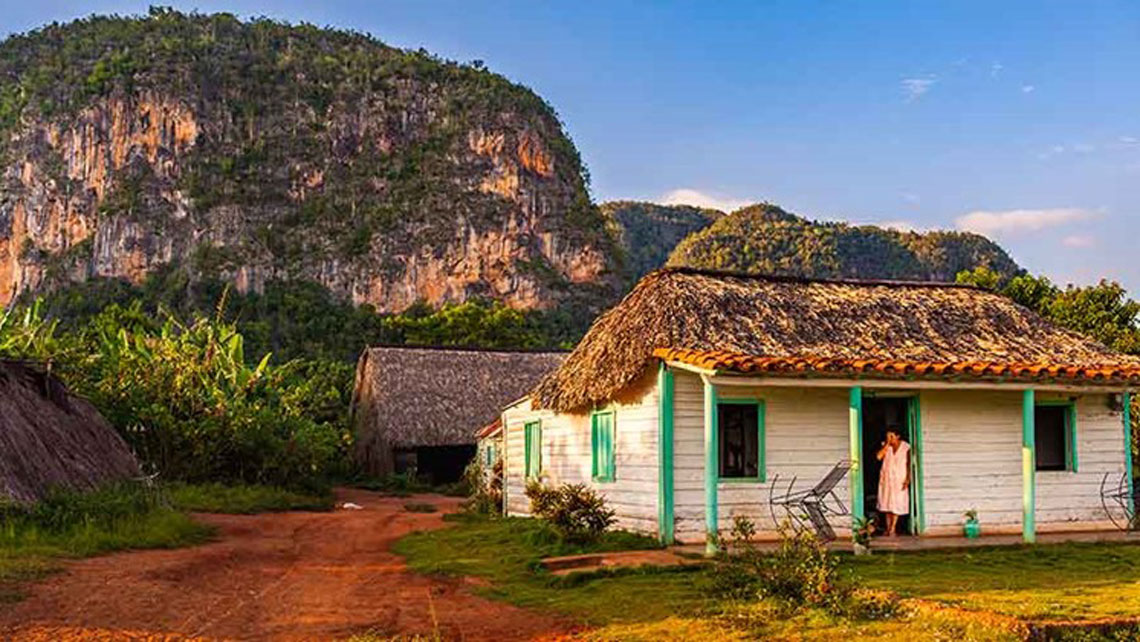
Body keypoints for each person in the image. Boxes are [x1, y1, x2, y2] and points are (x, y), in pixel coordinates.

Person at [876, 429, 910, 537]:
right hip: (887, 478)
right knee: (887, 503)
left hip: (899, 478)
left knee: (897, 503)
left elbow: (909, 464)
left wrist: (908, 479)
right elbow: (878, 457)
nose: (890, 438)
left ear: (898, 436)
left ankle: (893, 528)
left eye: (892, 436)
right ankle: (887, 527)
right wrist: (887, 444)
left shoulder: (906, 447)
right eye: (888, 436)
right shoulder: (886, 446)